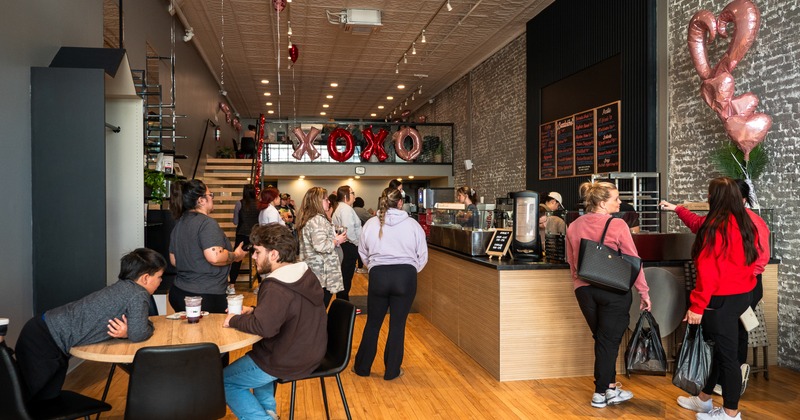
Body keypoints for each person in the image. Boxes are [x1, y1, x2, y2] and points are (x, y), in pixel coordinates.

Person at [660, 178, 769, 400]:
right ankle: (705, 398)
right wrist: (679, 209)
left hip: (721, 297)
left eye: (709, 195)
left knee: (727, 354)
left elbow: (709, 273)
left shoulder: (717, 227)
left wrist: (697, 306)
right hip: (741, 292)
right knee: (723, 350)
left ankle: (729, 410)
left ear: (715, 198)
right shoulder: (743, 223)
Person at [15, 248, 166, 401]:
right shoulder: (139, 294)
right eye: (159, 277)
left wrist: (130, 330)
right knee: (26, 400)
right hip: (44, 340)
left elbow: (135, 327)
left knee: (41, 399)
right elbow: (139, 333)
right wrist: (138, 329)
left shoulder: (124, 288)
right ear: (145, 278)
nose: (161, 281)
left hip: (41, 330)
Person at [222, 223, 327, 420]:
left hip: (286, 358)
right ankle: (269, 411)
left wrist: (234, 320)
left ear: (274, 255)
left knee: (224, 382)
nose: (253, 257)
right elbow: (288, 312)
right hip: (310, 352)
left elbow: (264, 327)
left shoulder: (275, 286)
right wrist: (254, 311)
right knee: (258, 357)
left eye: (257, 252)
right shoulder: (304, 274)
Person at [566, 181, 651, 409]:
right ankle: (599, 392)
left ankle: (611, 389)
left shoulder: (573, 225)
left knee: (603, 340)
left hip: (584, 291)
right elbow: (634, 262)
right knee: (608, 341)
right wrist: (644, 292)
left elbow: (571, 262)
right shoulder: (618, 224)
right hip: (613, 290)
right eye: (616, 198)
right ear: (603, 203)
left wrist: (580, 283)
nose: (620, 202)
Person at [353, 187, 428, 380]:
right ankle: (392, 371)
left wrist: (374, 267)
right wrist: (411, 270)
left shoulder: (371, 224)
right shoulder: (412, 225)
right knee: (397, 325)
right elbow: (423, 255)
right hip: (405, 276)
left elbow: (362, 252)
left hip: (378, 275)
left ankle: (362, 368)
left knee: (373, 324)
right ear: (400, 203)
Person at [168, 179, 247, 314]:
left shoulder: (180, 222)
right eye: (211, 195)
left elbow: (174, 260)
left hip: (180, 292)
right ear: (201, 200)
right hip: (205, 296)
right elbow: (214, 257)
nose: (212, 198)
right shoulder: (207, 223)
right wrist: (236, 255)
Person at [297, 187, 347, 307]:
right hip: (321, 273)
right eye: (326, 199)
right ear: (317, 201)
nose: (329, 202)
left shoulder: (311, 218)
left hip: (316, 271)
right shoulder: (317, 220)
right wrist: (336, 241)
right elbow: (320, 246)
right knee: (319, 309)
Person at [331, 185, 362, 302]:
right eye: (352, 193)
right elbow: (348, 230)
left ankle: (343, 301)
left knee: (345, 276)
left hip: (345, 245)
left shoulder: (342, 208)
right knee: (345, 277)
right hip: (348, 246)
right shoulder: (345, 209)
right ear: (346, 196)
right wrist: (357, 243)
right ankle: (343, 302)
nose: (354, 195)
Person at [228, 184, 260, 295]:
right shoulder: (259, 204)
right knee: (258, 260)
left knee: (236, 260)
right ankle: (260, 286)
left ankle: (232, 286)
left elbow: (235, 221)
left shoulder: (239, 203)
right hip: (255, 235)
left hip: (242, 234)